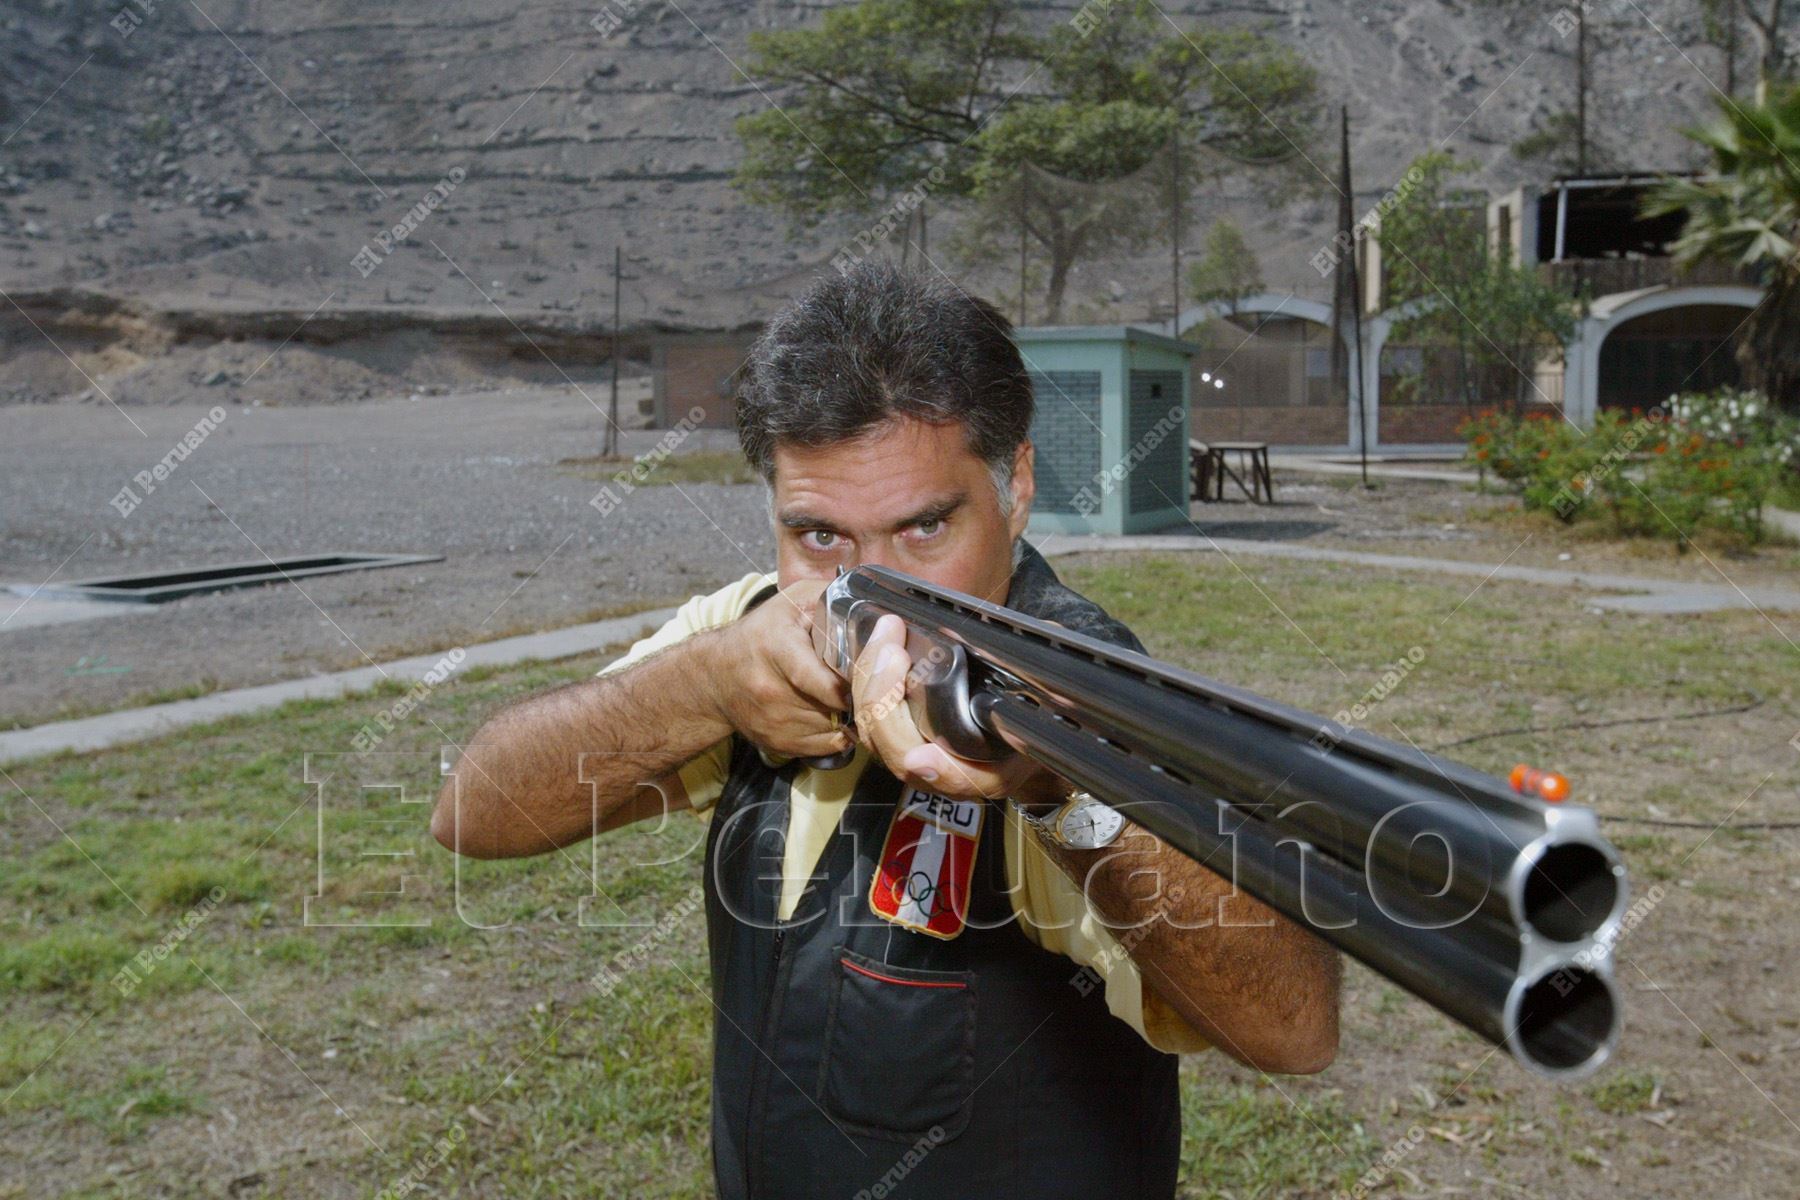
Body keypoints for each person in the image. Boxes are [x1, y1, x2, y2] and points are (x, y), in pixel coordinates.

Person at [431, 260, 1339, 1199]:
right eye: (821, 536)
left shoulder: (1078, 689)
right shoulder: (751, 631)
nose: (873, 593)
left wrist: (1064, 797)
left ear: (1015, 484)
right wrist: (703, 686)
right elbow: (476, 811)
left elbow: (1294, 1026)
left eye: (922, 530)